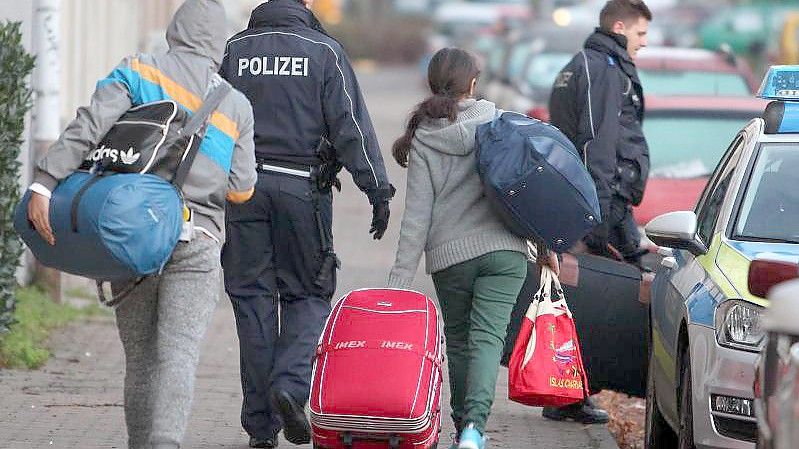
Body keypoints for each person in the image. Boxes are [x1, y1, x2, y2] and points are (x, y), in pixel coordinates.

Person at [25, 1, 258, 448]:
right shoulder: (236, 104)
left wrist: (44, 182)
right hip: (198, 236)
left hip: (130, 233)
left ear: (175, 30)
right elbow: (241, 189)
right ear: (219, 43)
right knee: (178, 357)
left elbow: (88, 127)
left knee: (141, 358)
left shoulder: (136, 70)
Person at [218, 1, 395, 447]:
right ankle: (291, 387)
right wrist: (376, 190)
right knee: (309, 293)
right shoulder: (323, 51)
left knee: (253, 301)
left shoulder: (235, 50)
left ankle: (261, 429)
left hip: (244, 190)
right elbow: (351, 125)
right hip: (302, 192)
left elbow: (212, 122)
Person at [387, 48, 560, 449]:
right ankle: (473, 432)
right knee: (488, 340)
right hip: (505, 252)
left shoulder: (425, 136)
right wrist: (545, 241)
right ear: (472, 84)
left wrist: (399, 282)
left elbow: (417, 216)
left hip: (451, 258)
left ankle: (461, 424)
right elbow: (525, 191)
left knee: (461, 342)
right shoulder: (497, 122)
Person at [546, 0, 652, 423]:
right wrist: (600, 212)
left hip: (593, 198)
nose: (644, 43)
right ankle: (570, 396)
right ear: (621, 27)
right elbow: (597, 142)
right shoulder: (603, 69)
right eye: (642, 34)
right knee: (611, 295)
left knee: (582, 296)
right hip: (600, 201)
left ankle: (570, 394)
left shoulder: (585, 64)